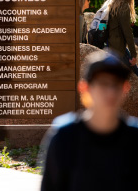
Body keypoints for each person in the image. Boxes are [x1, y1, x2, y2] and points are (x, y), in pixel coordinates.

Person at [41, 51, 138, 191]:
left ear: (125, 89)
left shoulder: (134, 138)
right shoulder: (64, 138)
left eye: (116, 84)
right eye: (103, 83)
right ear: (85, 88)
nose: (111, 92)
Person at [106, 0, 137, 76]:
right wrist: (134, 54)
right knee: (135, 74)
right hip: (118, 48)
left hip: (109, 44)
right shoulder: (123, 6)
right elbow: (127, 32)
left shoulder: (110, 4)